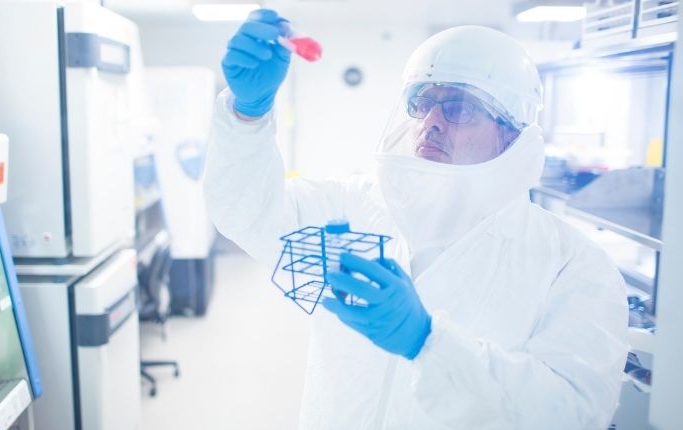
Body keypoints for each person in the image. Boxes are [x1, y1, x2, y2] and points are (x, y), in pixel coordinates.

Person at [203, 9, 628, 429]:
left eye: (459, 108)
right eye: (422, 104)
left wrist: (427, 342)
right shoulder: (356, 207)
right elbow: (249, 213)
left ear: (511, 134)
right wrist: (247, 117)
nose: (430, 123)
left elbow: (572, 411)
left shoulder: (570, 266)